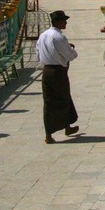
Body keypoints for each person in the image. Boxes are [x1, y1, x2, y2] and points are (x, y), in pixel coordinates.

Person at [36, 10, 80, 144]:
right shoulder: (59, 37)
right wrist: (71, 49)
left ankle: (57, 130)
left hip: (47, 71)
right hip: (58, 72)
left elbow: (38, 53)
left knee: (50, 101)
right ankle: (58, 130)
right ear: (57, 22)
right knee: (63, 97)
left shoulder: (43, 35)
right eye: (63, 20)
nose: (65, 22)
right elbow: (71, 55)